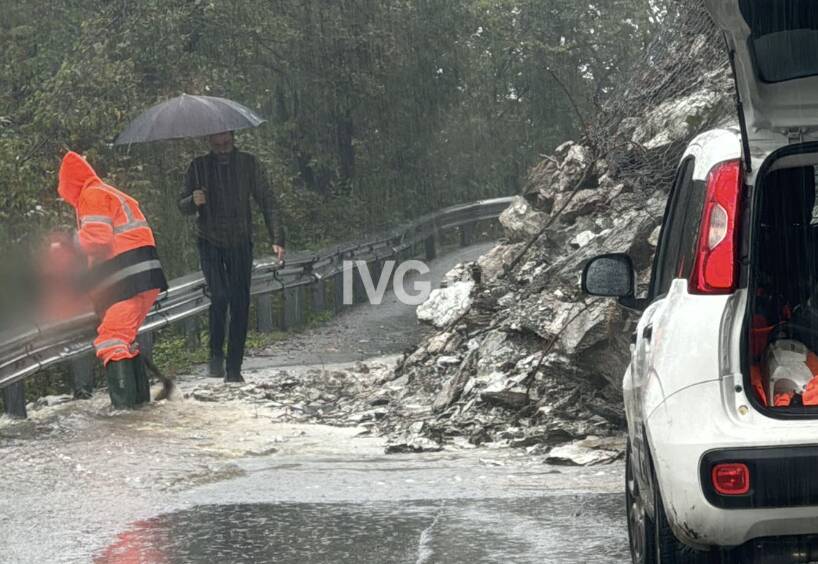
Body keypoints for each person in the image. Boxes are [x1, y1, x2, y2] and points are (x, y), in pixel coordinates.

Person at [57, 151, 168, 408]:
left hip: (127, 277)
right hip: (143, 276)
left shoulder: (92, 195)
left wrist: (69, 243)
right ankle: (139, 406)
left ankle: (125, 412)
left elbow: (98, 239)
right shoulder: (111, 193)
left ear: (70, 184)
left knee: (111, 340)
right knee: (123, 338)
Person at [178, 131, 285, 382]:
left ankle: (234, 368)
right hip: (209, 241)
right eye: (217, 145)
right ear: (210, 144)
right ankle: (215, 352)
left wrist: (278, 237)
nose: (223, 149)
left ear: (233, 139)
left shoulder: (247, 164)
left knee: (239, 302)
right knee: (220, 295)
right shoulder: (199, 166)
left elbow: (267, 200)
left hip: (240, 241)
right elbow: (181, 205)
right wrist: (192, 200)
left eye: (226, 144)